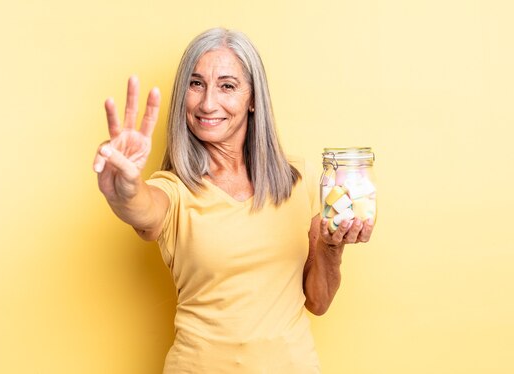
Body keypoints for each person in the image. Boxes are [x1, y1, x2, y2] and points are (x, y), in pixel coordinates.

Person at [93, 28, 374, 373]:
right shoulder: (173, 188)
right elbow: (143, 210)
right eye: (196, 84)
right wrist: (123, 189)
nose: (208, 102)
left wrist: (332, 247)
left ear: (253, 99)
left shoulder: (302, 179)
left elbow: (317, 301)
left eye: (227, 85)